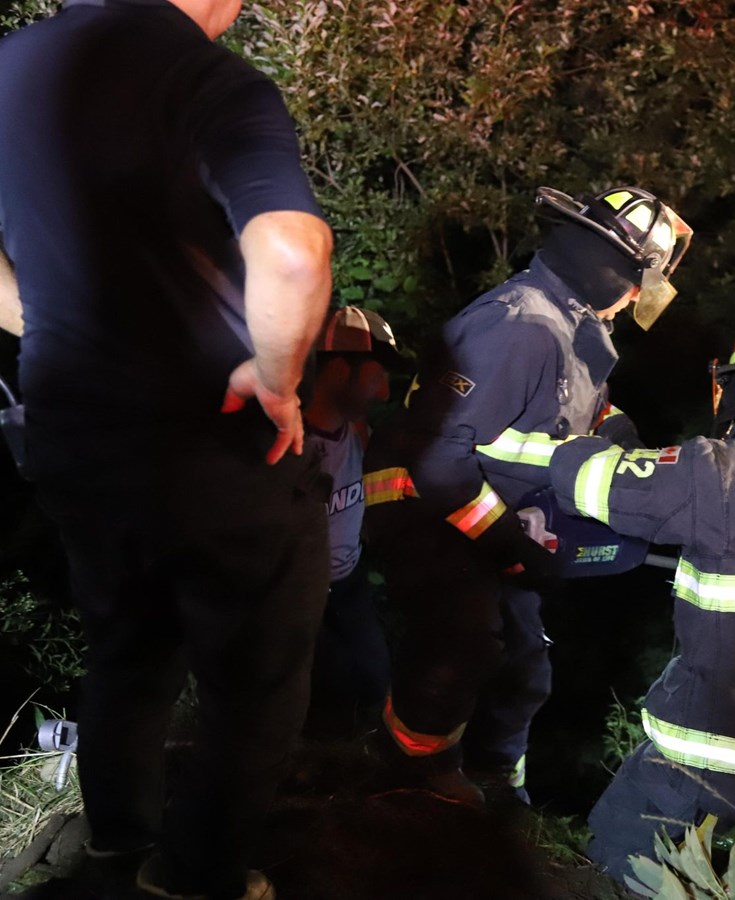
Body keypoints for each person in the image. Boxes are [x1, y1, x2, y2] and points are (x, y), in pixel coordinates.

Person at [0, 1, 333, 897]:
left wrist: (51, 328)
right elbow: (294, 254)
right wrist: (277, 377)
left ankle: (118, 840)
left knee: (125, 644)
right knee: (255, 674)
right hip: (206, 444)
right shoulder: (207, 80)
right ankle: (196, 875)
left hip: (71, 431)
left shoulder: (12, 66)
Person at [478, 313, 735, 879]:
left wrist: (585, 431)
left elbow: (590, 481)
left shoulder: (716, 470)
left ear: (733, 387)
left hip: (718, 751)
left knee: (611, 868)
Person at [362, 185, 691, 803]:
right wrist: (510, 543)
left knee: (523, 668)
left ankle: (497, 789)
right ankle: (408, 774)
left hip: (476, 506)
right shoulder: (521, 323)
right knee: (464, 637)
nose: (637, 300)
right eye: (640, 285)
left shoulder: (570, 327)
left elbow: (571, 418)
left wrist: (629, 447)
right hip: (419, 503)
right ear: (616, 270)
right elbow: (439, 461)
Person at [303, 307, 404, 738]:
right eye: (377, 376)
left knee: (373, 682)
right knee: (324, 696)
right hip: (297, 594)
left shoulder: (357, 434)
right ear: (340, 370)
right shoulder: (288, 443)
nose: (384, 393)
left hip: (347, 584)